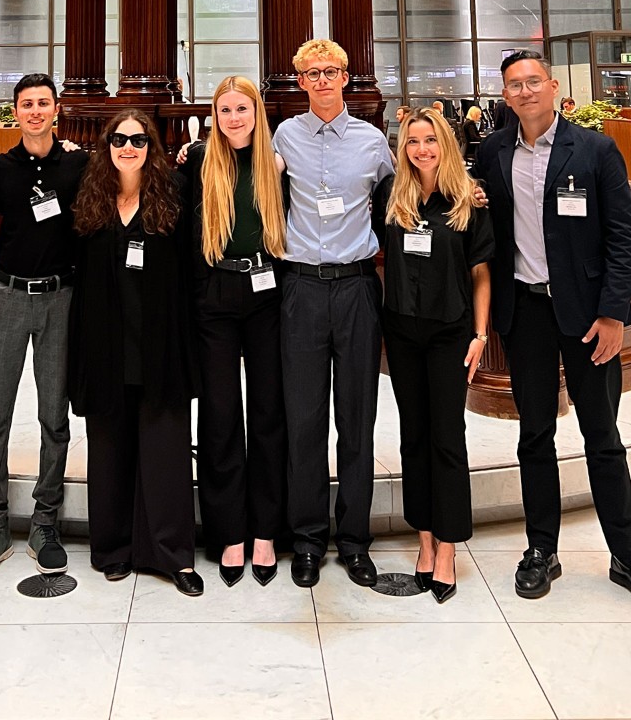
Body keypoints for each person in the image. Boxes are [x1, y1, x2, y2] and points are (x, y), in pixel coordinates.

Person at [473, 50, 631, 610]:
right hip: (527, 314)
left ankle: (627, 555)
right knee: (534, 435)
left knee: (602, 438)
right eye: (514, 84)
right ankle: (542, 549)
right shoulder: (492, 151)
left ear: (553, 86)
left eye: (533, 81)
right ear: (505, 94)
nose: (525, 91)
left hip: (589, 316)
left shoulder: (594, 149)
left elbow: (623, 237)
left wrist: (613, 313)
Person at [273, 38, 394, 589]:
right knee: (303, 421)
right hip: (299, 289)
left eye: (330, 71)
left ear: (346, 76)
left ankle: (354, 540)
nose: (321, 81)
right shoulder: (285, 136)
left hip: (355, 290)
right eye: (311, 74)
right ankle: (306, 538)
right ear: (300, 83)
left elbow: (402, 201)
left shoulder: (372, 142)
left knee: (357, 420)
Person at [68, 110, 203, 596]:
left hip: (160, 345)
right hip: (105, 345)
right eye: (120, 139)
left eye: (139, 140)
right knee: (109, 450)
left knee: (165, 450)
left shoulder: (175, 194)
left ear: (152, 146)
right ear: (106, 145)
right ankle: (114, 547)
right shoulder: (90, 197)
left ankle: (171, 554)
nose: (129, 147)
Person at [0, 73, 89, 581]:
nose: (35, 111)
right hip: (7, 297)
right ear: (15, 112)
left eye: (43, 103)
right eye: (26, 104)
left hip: (61, 298)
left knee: (53, 417)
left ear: (56, 109)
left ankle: (45, 520)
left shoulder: (80, 163)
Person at [373, 108, 492, 604]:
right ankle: (423, 539)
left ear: (445, 143)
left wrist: (480, 336)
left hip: (450, 333)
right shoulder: (391, 196)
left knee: (447, 437)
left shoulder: (470, 198)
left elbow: (481, 271)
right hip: (402, 332)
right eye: (412, 142)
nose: (421, 149)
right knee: (413, 435)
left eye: (430, 140)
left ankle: (448, 548)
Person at [180, 76, 287, 586]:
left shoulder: (278, 161)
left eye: (242, 108)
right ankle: (230, 533)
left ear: (256, 112)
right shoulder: (199, 160)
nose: (234, 118)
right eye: (225, 110)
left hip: (268, 295)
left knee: (268, 411)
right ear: (215, 116)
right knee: (220, 416)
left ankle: (266, 530)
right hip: (216, 297)